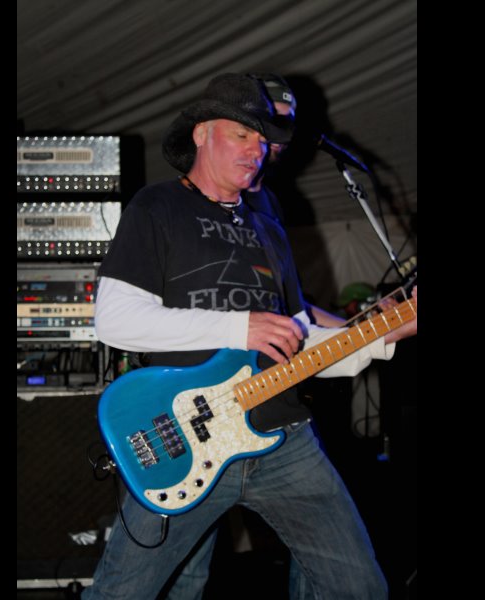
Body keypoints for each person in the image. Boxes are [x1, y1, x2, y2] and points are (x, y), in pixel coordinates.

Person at [84, 72, 417, 600]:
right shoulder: (158, 206)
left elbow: (296, 336)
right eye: (241, 134)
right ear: (201, 133)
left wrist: (381, 332)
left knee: (357, 586)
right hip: (186, 436)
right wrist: (238, 326)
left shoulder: (269, 223)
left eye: (263, 140)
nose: (255, 150)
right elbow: (115, 319)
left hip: (284, 438)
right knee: (131, 593)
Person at [163, 73, 349, 600]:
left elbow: (290, 312)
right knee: (181, 571)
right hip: (197, 407)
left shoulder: (269, 210)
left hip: (268, 408)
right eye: (256, 129)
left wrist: (362, 331)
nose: (267, 143)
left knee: (335, 569)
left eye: (275, 133)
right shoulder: (174, 205)